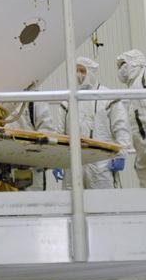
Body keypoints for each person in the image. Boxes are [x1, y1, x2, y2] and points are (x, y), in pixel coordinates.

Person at [53, 57, 132, 189]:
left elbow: (121, 127)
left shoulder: (107, 96)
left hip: (101, 162)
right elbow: (59, 133)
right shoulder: (67, 99)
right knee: (73, 202)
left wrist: (121, 154)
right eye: (76, 71)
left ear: (91, 72)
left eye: (82, 71)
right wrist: (57, 160)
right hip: (73, 162)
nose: (78, 74)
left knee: (103, 202)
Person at [116, 49, 146, 189]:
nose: (121, 69)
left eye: (123, 64)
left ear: (134, 61)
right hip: (142, 145)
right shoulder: (131, 88)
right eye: (119, 66)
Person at [4, 82, 61, 190]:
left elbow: (47, 134)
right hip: (4, 167)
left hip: (32, 169)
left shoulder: (35, 99)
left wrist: (39, 159)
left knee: (33, 203)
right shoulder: (2, 96)